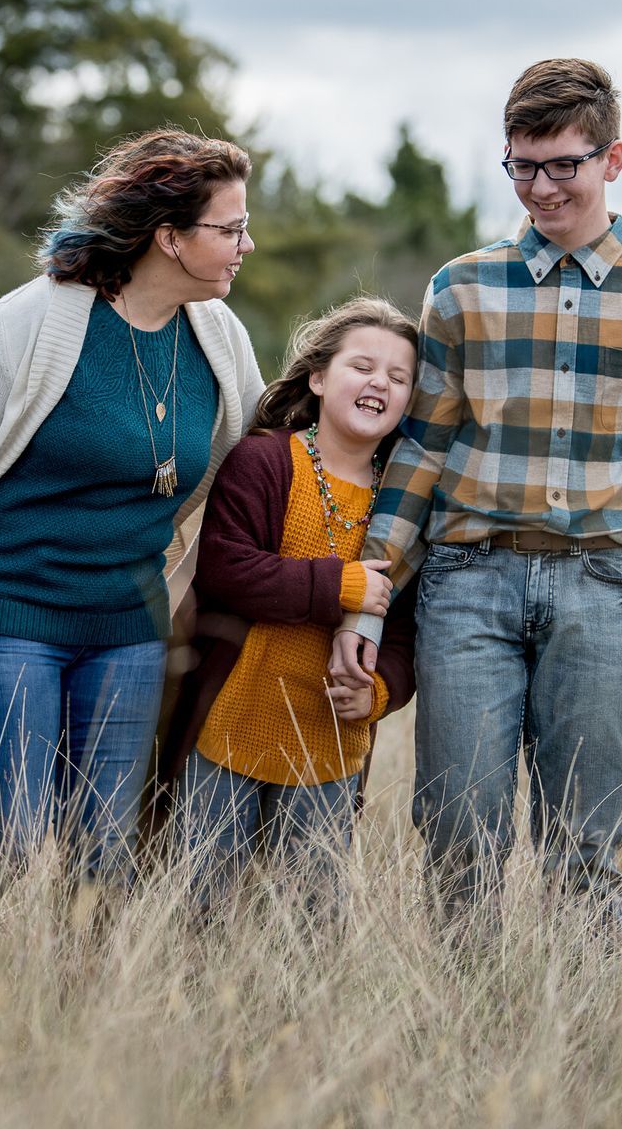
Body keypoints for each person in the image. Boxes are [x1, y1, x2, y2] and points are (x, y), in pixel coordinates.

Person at [332, 59, 622, 936]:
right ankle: (469, 1041)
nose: (542, 187)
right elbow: (422, 452)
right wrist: (366, 602)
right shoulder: (461, 287)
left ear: (612, 158)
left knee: (583, 846)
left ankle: (583, 1049)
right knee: (455, 832)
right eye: (523, 166)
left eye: (564, 165)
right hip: (467, 581)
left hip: (603, 587)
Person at [0, 128, 265, 937]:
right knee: (9, 835)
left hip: (126, 622)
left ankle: (79, 1035)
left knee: (105, 852)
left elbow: (258, 459)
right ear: (169, 237)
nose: (245, 245)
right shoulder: (35, 321)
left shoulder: (220, 339)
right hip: (0, 606)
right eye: (229, 229)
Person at [164, 298, 420, 913]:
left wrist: (379, 691)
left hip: (331, 740)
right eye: (362, 366)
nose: (379, 383)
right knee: (199, 902)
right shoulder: (264, 459)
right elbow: (226, 570)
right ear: (318, 376)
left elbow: (410, 631)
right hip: (228, 722)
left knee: (312, 919)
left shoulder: (406, 505)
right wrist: (340, 589)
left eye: (399, 377)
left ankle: (298, 1015)